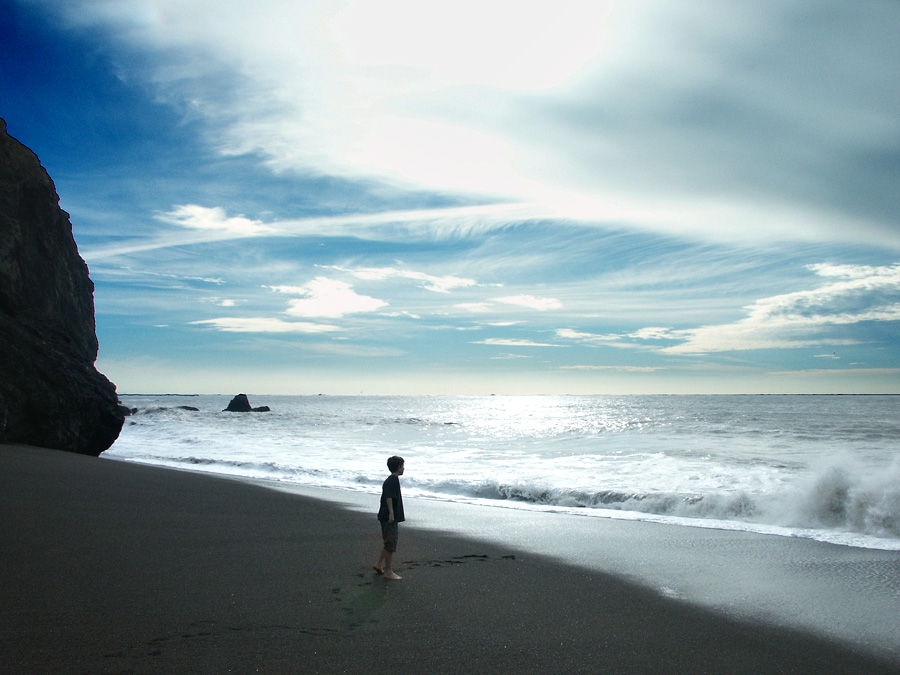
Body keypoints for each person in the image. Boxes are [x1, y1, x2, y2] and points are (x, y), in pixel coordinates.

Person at [374, 455, 405, 580]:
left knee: (388, 541)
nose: (404, 468)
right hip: (388, 516)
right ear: (398, 467)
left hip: (386, 515)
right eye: (402, 466)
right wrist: (391, 513)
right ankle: (388, 572)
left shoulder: (392, 480)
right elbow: (389, 497)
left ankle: (378, 564)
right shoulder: (392, 480)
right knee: (390, 543)